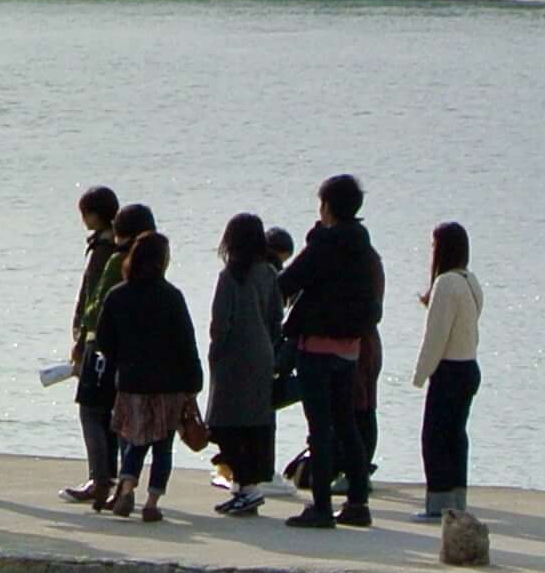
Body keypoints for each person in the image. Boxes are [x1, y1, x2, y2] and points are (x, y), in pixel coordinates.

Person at [275, 175, 385, 526]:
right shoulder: (365, 250)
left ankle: (321, 506)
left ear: (328, 207)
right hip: (350, 349)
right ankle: (358, 502)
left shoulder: (324, 245)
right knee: (347, 424)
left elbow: (287, 282)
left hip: (316, 348)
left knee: (319, 428)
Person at [91, 230, 202, 522]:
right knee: (163, 445)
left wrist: (119, 363)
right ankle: (152, 501)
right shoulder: (171, 297)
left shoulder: (117, 296)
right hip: (170, 384)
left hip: (131, 382)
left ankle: (126, 488)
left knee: (136, 440)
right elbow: (186, 342)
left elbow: (104, 341)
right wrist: (195, 381)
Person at [205, 211, 285, 514]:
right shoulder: (268, 273)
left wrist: (215, 352)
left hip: (232, 356)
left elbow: (220, 323)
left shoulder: (229, 276)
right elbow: (277, 318)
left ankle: (246, 487)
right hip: (262, 354)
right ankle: (244, 486)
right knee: (255, 424)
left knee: (225, 423)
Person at [412, 221, 483, 522]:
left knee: (435, 437)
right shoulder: (469, 280)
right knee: (455, 436)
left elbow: (436, 336)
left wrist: (420, 374)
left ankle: (438, 505)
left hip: (449, 369)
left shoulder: (445, 283)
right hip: (468, 366)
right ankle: (456, 501)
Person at [64, 186, 126, 509]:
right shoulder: (121, 246)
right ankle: (111, 477)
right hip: (116, 343)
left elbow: (93, 297)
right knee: (109, 413)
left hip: (97, 341)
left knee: (90, 410)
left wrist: (79, 337)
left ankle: (98, 478)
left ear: (94, 214)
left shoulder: (104, 250)